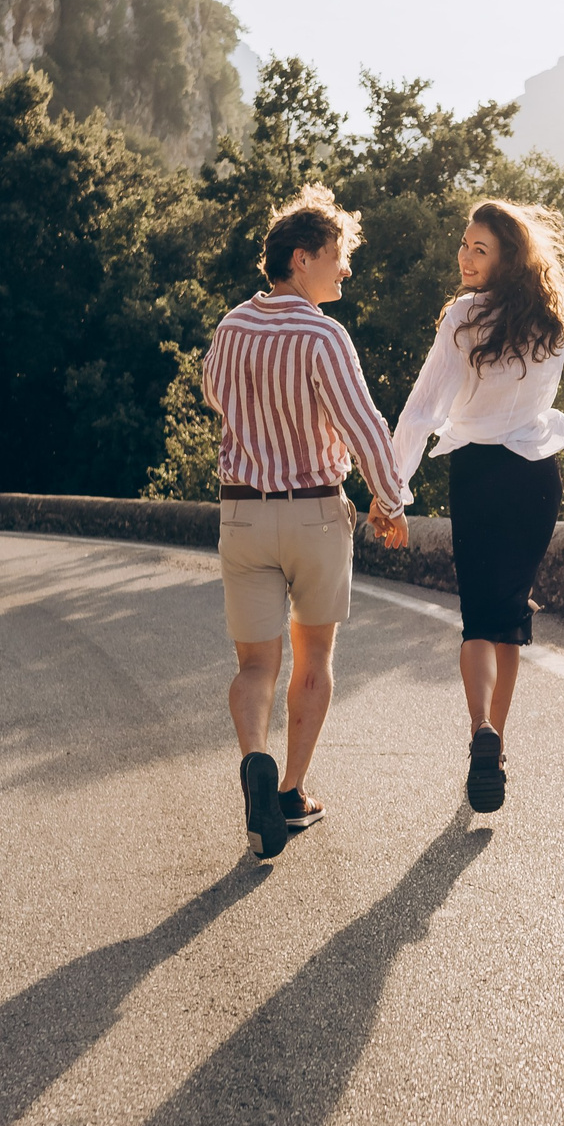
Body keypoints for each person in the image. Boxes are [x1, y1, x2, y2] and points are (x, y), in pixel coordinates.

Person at [386, 199, 564, 813]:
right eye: (464, 245)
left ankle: (481, 735)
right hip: (535, 480)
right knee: (511, 617)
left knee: (478, 617)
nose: (464, 257)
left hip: (477, 475)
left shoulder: (463, 318)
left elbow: (423, 409)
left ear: (507, 257)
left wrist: (393, 492)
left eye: (479, 249)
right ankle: (499, 743)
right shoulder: (551, 319)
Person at [202, 186, 411, 860]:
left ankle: (254, 760)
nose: (344, 270)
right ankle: (290, 791)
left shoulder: (231, 326)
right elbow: (365, 425)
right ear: (301, 258)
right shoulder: (324, 335)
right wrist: (391, 501)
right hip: (316, 513)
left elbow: (214, 394)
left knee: (255, 664)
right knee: (314, 658)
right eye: (337, 256)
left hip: (243, 513)